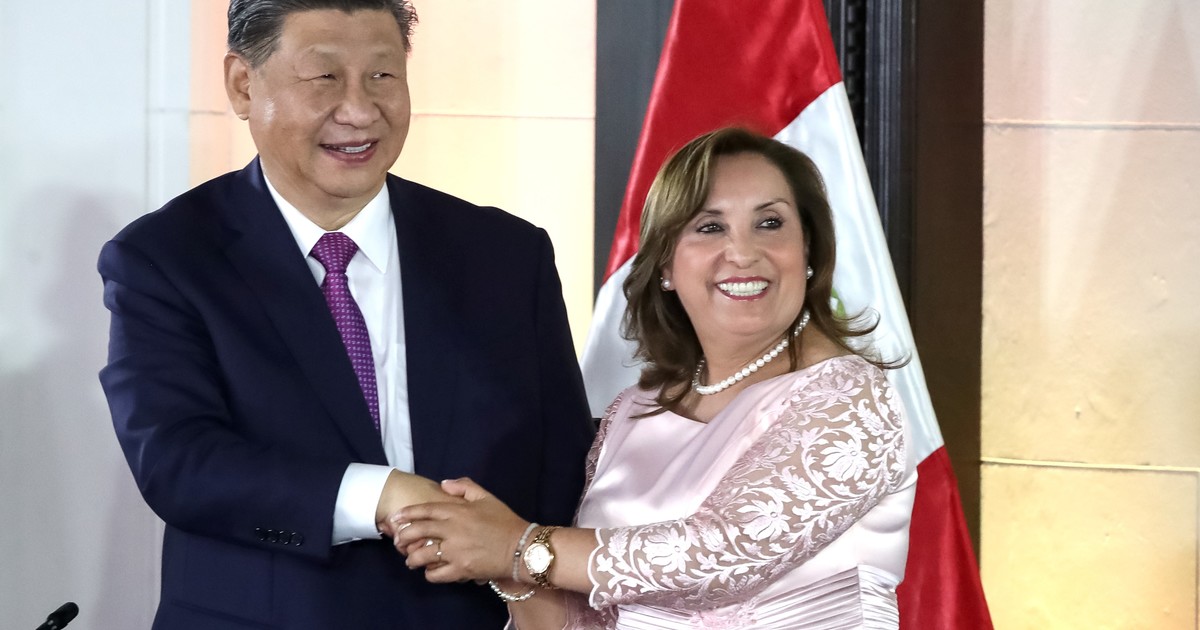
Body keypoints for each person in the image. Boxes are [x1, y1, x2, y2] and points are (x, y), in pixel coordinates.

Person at [97, 1, 594, 628]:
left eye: (382, 75)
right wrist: (380, 494)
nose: (359, 110)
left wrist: (541, 588)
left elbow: (563, 460)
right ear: (243, 84)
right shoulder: (167, 258)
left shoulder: (506, 253)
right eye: (324, 77)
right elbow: (179, 461)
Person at [387, 127, 918, 629]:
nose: (743, 252)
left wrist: (517, 547)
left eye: (770, 223)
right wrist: (492, 554)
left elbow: (720, 554)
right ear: (665, 265)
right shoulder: (636, 409)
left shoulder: (850, 397)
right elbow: (589, 617)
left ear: (810, 251)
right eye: (710, 227)